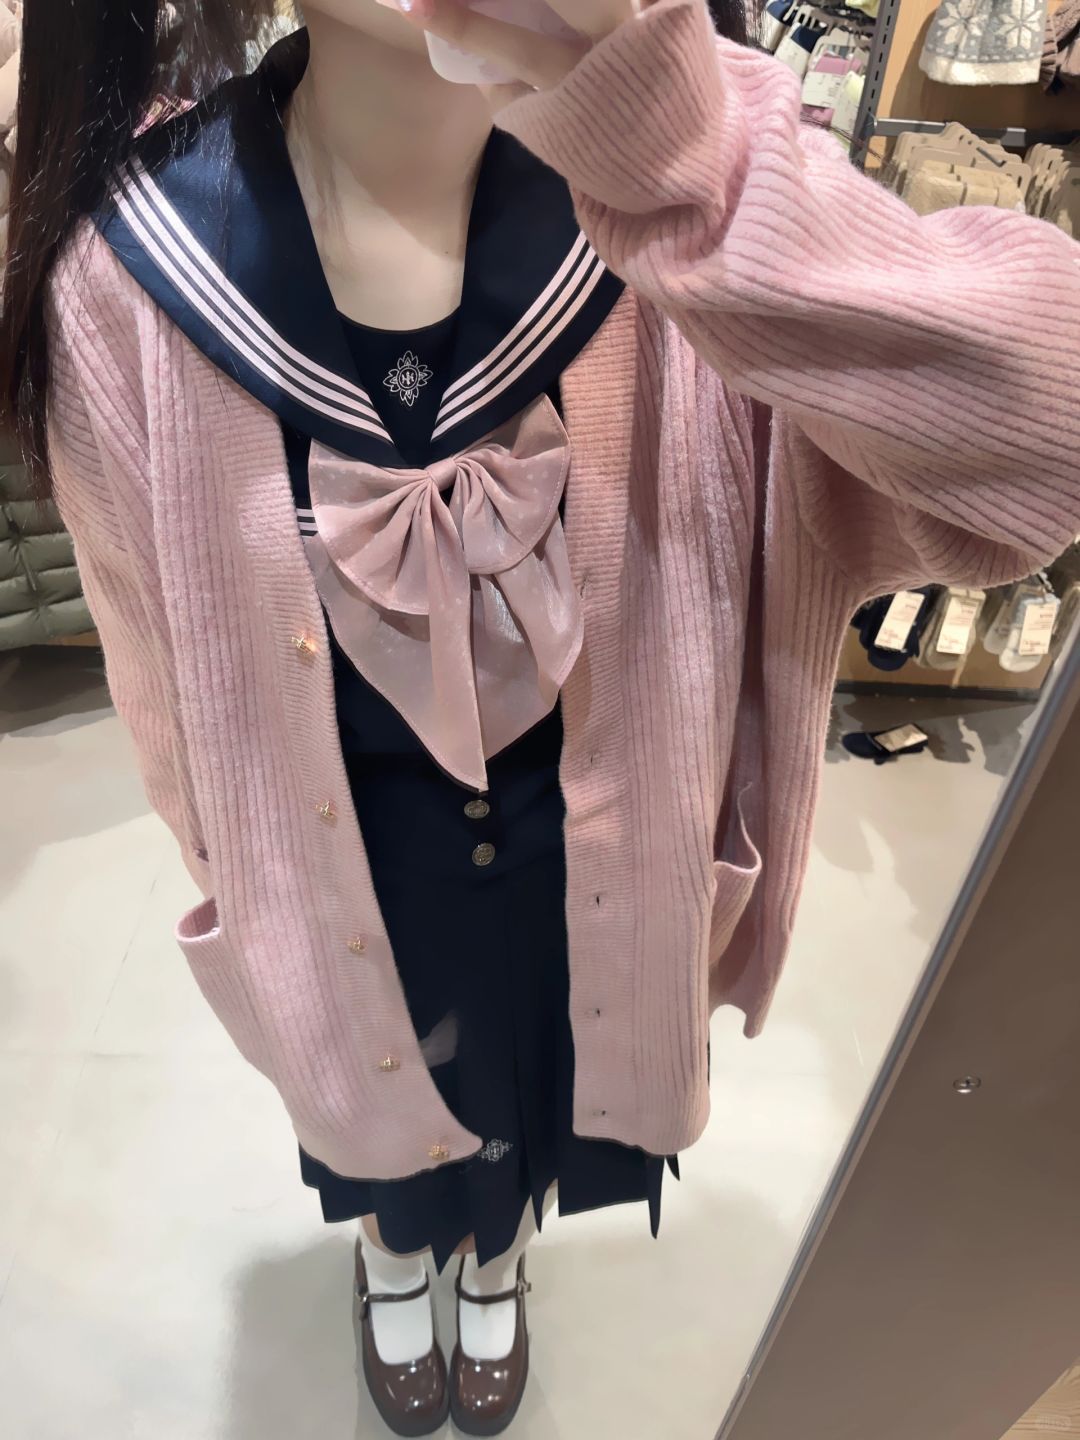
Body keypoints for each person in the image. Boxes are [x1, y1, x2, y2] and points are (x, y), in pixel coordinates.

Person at [3, 0, 1079, 1433]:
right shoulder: (127, 274)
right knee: (383, 1101)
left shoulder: (699, 233)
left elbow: (1044, 440)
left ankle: (498, 1263)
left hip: (590, 856)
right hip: (351, 864)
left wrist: (687, 163)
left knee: (541, 1092)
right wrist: (249, 906)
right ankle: (397, 1258)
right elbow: (159, 687)